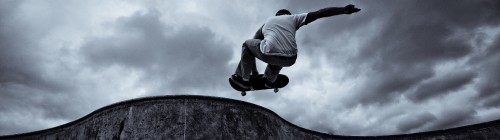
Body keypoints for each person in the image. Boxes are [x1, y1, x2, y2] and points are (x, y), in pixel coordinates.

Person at [231, 4, 361, 89]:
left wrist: (253, 72)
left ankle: (245, 80)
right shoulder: (294, 18)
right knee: (283, 51)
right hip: (291, 59)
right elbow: (320, 13)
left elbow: (252, 45)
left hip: (267, 53)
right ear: (288, 14)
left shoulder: (268, 22)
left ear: (277, 16)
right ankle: (269, 80)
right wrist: (343, 10)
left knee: (248, 45)